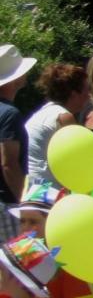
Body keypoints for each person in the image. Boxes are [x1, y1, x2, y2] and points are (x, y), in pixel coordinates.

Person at [24, 64, 87, 188]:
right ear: (74, 94)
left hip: (31, 186)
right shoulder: (64, 117)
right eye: (86, 90)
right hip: (46, 191)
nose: (89, 95)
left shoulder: (45, 111)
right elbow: (77, 160)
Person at [0, 47, 34, 241]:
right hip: (7, 205)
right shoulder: (9, 114)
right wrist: (26, 203)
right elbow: (8, 164)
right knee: (13, 268)